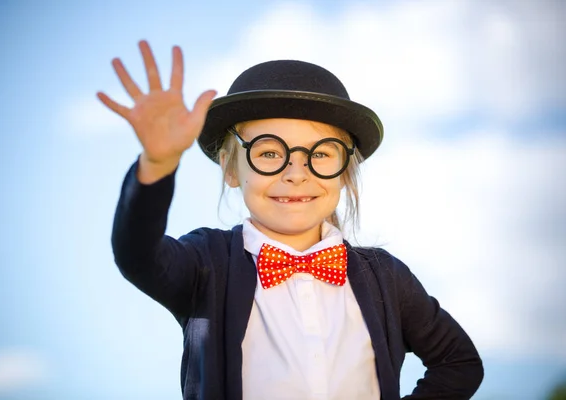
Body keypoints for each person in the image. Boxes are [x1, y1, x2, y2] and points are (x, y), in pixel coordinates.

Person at [98, 40, 484, 400]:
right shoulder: (206, 263)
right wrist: (157, 166)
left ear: (345, 172)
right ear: (231, 170)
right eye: (268, 154)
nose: (296, 174)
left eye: (320, 154)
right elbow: (137, 255)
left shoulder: (385, 276)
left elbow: (459, 361)